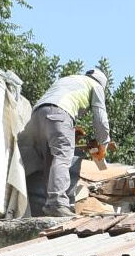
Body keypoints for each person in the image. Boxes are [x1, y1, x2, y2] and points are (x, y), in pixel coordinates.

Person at [23, 65, 114, 216]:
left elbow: (54, 107)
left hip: (36, 116)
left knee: (49, 162)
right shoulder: (96, 86)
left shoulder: (69, 80)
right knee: (62, 157)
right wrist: (103, 145)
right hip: (58, 113)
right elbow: (100, 119)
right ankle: (57, 203)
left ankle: (49, 205)